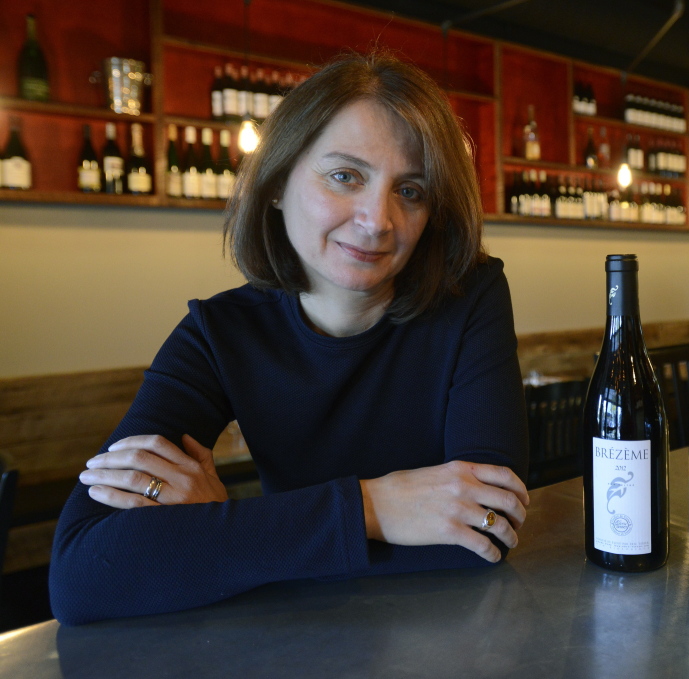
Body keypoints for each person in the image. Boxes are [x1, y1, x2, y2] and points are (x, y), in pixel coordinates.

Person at [49, 52, 530, 626]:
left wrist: (224, 530)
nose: (378, 219)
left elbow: (484, 532)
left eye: (411, 190)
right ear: (277, 182)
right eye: (345, 176)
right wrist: (373, 508)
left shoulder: (469, 296)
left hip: (452, 638)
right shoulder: (218, 333)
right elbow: (82, 577)